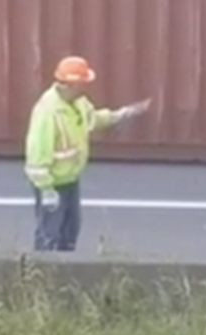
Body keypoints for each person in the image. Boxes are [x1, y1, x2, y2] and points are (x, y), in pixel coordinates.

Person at [23, 56, 152, 252]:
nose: (86, 88)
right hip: (52, 185)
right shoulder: (47, 113)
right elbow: (36, 157)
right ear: (70, 85)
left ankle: (64, 269)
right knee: (49, 233)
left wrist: (121, 115)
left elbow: (93, 119)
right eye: (82, 84)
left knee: (70, 229)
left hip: (70, 179)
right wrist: (46, 190)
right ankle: (44, 274)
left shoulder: (78, 103)